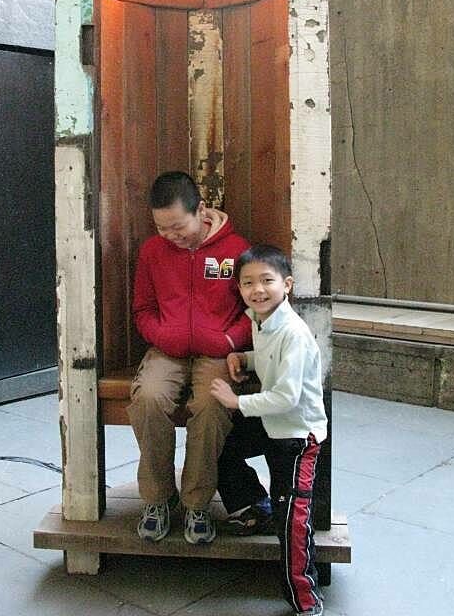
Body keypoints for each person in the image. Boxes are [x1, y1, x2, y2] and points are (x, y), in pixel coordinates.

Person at [127, 171, 252, 545]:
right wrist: (163, 335)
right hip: (167, 348)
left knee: (212, 406)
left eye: (178, 226)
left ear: (200, 210)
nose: (170, 236)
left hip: (218, 352)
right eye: (161, 228)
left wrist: (230, 339)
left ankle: (197, 503)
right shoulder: (152, 252)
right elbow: (143, 309)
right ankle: (158, 498)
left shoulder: (236, 249)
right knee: (148, 398)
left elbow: (254, 310)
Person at [210, 245, 327, 616]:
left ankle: (304, 601)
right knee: (221, 448)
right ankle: (253, 506)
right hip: (271, 423)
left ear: (287, 284)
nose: (257, 289)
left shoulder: (293, 332)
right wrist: (244, 358)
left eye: (267, 281)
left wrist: (237, 402)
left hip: (296, 435)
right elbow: (268, 358)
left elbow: (287, 397)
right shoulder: (262, 321)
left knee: (292, 517)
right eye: (248, 283)